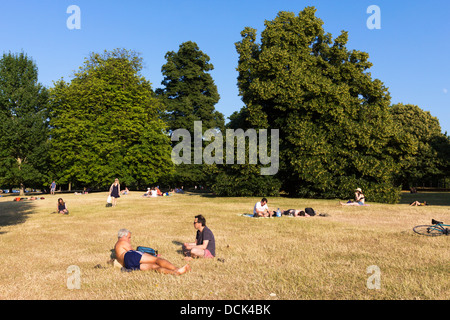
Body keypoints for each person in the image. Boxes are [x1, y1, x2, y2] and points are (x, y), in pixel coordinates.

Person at [114, 229, 190, 275]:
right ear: (123, 236)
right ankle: (176, 269)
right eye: (129, 237)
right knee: (156, 260)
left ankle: (174, 273)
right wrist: (151, 255)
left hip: (128, 264)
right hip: (130, 256)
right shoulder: (123, 241)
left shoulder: (116, 246)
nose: (129, 240)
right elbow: (133, 252)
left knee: (154, 267)